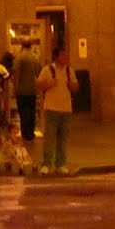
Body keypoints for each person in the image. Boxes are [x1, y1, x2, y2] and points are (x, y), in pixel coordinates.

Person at [36, 45, 79, 175]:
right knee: (50, 138)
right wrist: (49, 84)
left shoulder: (69, 70)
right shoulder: (47, 70)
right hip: (51, 108)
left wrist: (72, 86)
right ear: (56, 57)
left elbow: (76, 86)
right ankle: (46, 164)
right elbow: (39, 85)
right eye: (62, 55)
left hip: (66, 109)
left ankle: (61, 164)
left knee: (63, 138)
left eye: (65, 55)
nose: (65, 57)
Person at [13, 40, 41, 143]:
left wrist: (15, 90)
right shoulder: (35, 58)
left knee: (23, 112)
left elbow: (17, 76)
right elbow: (39, 74)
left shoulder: (19, 58)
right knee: (32, 112)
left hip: (22, 90)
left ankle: (25, 134)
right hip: (33, 90)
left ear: (22, 46)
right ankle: (31, 133)